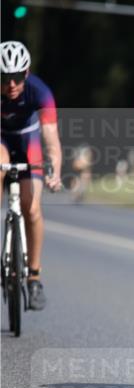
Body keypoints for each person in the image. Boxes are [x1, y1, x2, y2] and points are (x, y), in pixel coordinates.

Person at [1, 40, 62, 310]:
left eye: (16, 77)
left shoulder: (40, 92)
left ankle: (34, 278)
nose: (11, 84)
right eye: (4, 78)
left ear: (26, 73)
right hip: (1, 139)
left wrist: (55, 172)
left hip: (28, 140)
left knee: (32, 208)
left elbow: (51, 138)